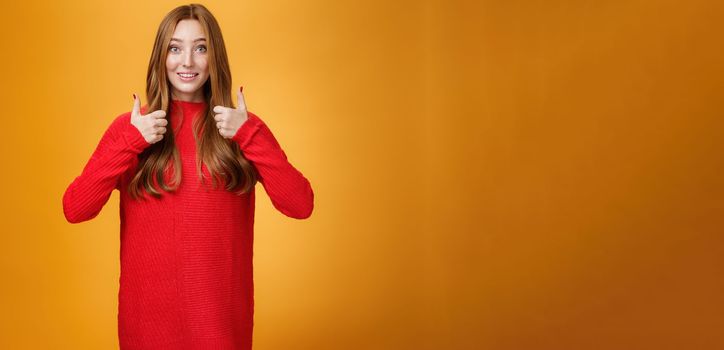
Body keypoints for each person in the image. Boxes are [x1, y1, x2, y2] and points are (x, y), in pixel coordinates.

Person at [62, 3, 314, 349]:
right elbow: (76, 209)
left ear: (215, 57)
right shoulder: (131, 128)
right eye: (175, 48)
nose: (187, 62)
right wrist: (130, 141)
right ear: (161, 56)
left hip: (221, 331)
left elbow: (300, 204)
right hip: (146, 331)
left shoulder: (240, 128)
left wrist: (249, 134)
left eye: (200, 48)